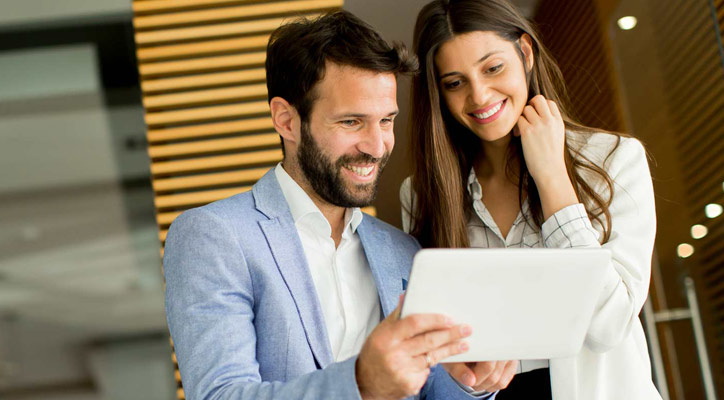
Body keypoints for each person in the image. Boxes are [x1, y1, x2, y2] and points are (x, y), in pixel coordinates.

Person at [164, 10, 508, 400]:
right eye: (351, 122)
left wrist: (468, 382)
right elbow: (220, 395)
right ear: (286, 120)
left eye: (386, 121)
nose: (377, 147)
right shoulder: (214, 236)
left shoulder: (402, 251)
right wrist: (362, 384)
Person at [400, 1, 660, 399]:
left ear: (525, 52)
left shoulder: (613, 161)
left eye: (493, 68)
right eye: (455, 83)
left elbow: (610, 323)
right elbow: (437, 346)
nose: (479, 95)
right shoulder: (421, 196)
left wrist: (553, 177)